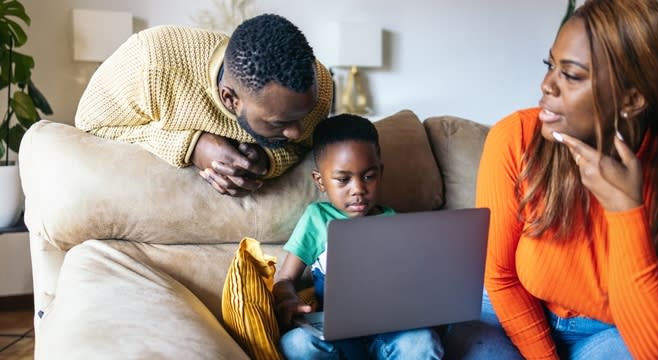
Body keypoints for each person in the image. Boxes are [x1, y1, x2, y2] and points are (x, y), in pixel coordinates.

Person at [445, 0, 658, 359]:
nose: (546, 85)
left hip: (611, 332)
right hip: (508, 309)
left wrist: (626, 211)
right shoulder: (514, 137)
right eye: (550, 66)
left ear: (633, 98)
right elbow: (500, 276)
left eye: (571, 75)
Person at [75, 14, 333, 196]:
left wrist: (267, 159)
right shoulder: (150, 62)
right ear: (230, 99)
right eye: (280, 123)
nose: (297, 131)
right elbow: (89, 127)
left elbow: (304, 146)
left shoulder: (318, 88)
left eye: (303, 116)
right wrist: (194, 146)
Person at [272, 114, 444, 360]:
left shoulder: (394, 220)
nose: (358, 189)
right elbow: (285, 277)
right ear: (320, 181)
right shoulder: (317, 219)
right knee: (297, 344)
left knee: (423, 342)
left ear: (380, 173)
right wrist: (288, 298)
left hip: (389, 333)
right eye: (343, 179)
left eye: (368, 176)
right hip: (338, 336)